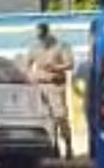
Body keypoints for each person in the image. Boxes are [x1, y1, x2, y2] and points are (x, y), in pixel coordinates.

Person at [26, 22, 74, 159]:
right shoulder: (34, 47)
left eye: (43, 35)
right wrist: (31, 77)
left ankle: (68, 145)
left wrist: (56, 67)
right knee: (47, 119)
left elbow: (70, 64)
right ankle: (53, 148)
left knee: (60, 117)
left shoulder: (61, 46)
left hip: (56, 85)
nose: (41, 39)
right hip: (40, 86)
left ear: (48, 33)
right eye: (39, 36)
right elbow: (27, 65)